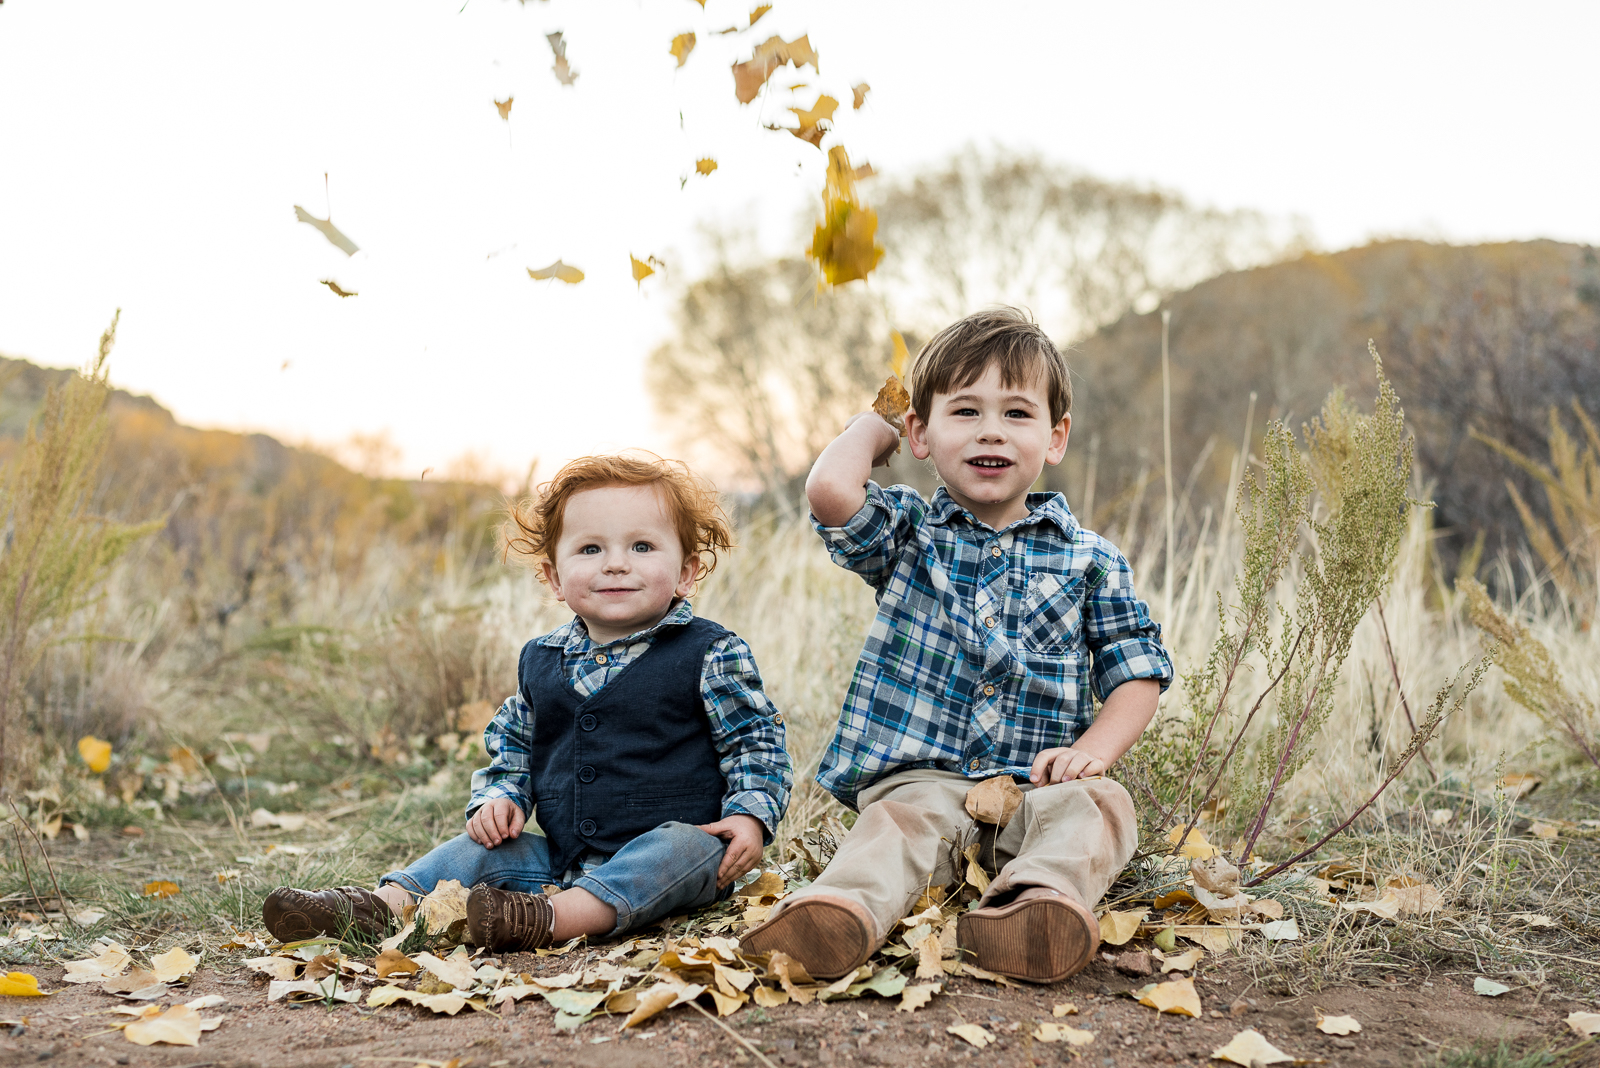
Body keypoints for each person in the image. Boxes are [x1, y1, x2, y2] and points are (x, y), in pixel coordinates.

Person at [742, 306, 1172, 983]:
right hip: (925, 787)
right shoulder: (909, 535)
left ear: (1055, 438)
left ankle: (1036, 905)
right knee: (894, 826)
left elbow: (1137, 673)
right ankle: (838, 914)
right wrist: (875, 424)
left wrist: (1092, 754)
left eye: (1017, 414)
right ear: (922, 433)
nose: (991, 431)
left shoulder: (1091, 559)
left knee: (1104, 806)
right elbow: (829, 492)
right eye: (965, 412)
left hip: (1037, 788)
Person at [262, 454, 791, 952]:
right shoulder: (542, 659)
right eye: (590, 550)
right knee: (481, 850)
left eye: (641, 547)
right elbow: (514, 741)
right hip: (562, 862)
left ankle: (551, 921)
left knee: (679, 843)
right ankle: (381, 907)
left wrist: (749, 816)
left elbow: (754, 740)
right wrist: (501, 797)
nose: (614, 565)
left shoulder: (710, 652)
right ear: (554, 578)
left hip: (679, 865)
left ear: (686, 572)